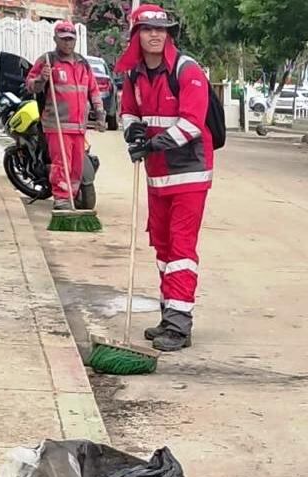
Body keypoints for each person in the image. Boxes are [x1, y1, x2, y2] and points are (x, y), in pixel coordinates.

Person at [118, 5, 214, 352]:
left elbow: (192, 123)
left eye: (161, 30)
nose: (155, 35)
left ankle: (179, 323)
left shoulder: (186, 70)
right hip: (157, 176)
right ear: (136, 35)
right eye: (147, 29)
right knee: (161, 247)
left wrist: (152, 144)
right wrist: (133, 133)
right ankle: (169, 311)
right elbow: (128, 111)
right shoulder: (134, 74)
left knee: (181, 248)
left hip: (189, 173)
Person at [24, 21, 105, 210]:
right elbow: (30, 86)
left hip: (79, 126)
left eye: (71, 40)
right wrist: (42, 79)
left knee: (76, 166)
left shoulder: (82, 63)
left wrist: (100, 113)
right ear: (55, 39)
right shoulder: (47, 60)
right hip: (57, 124)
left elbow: (93, 90)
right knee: (61, 164)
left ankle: (73, 196)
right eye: (63, 40)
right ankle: (61, 199)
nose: (67, 44)